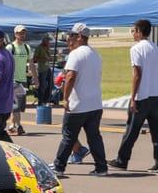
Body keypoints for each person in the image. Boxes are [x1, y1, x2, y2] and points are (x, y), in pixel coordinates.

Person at [51, 23, 107, 177]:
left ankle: (59, 167)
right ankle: (101, 167)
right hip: (95, 103)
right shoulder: (96, 55)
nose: (69, 38)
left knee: (68, 135)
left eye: (72, 36)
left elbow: (70, 76)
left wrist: (65, 98)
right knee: (94, 136)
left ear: (80, 37)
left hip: (78, 103)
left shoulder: (76, 54)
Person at [108, 20, 158, 172]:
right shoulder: (155, 47)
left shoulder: (136, 49)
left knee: (131, 130)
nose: (132, 33)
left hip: (142, 96)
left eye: (133, 30)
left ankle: (122, 160)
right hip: (155, 95)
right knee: (156, 131)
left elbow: (137, 74)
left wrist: (132, 97)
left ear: (139, 31)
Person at [6, 25, 38, 135]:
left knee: (19, 105)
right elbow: (4, 63)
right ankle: (19, 126)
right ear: (15, 34)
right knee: (15, 105)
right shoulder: (10, 48)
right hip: (12, 80)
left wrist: (35, 77)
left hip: (22, 79)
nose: (22, 35)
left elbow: (32, 64)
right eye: (19, 33)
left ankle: (11, 125)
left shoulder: (27, 47)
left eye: (23, 33)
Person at [34, 36, 52, 104]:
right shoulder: (39, 48)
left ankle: (46, 100)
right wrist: (44, 59)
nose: (48, 43)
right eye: (47, 41)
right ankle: (40, 101)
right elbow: (35, 59)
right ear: (43, 41)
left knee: (50, 85)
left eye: (48, 41)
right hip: (42, 69)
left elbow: (48, 57)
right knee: (42, 86)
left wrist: (49, 58)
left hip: (48, 68)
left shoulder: (47, 47)